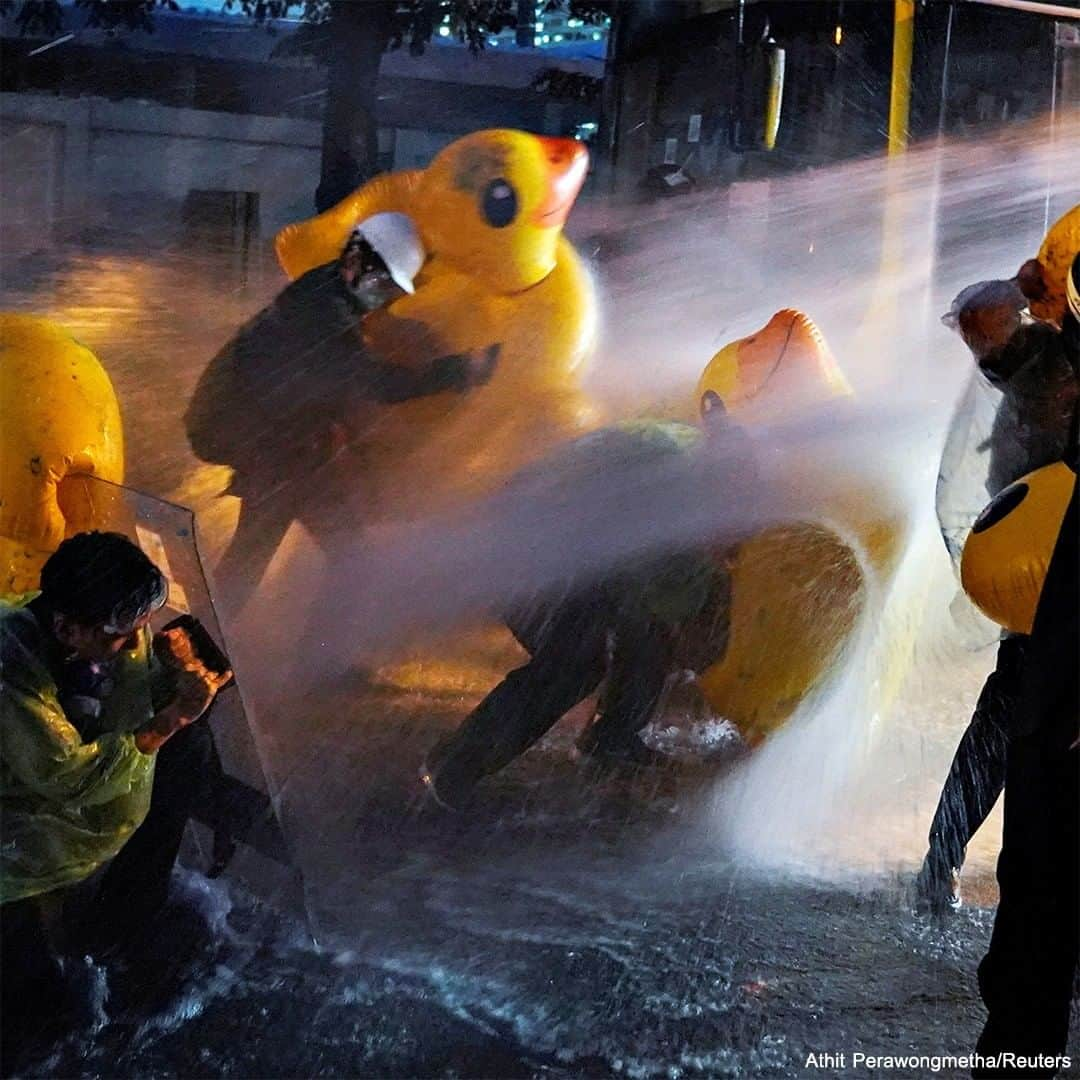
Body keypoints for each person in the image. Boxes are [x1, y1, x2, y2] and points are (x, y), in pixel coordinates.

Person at [420, 397, 752, 810]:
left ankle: (612, 739)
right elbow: (676, 615)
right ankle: (455, 767)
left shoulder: (687, 455)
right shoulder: (678, 500)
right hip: (529, 547)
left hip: (543, 530)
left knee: (639, 625)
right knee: (574, 664)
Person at [185, 213, 498, 615]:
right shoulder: (324, 314)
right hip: (276, 457)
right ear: (358, 261)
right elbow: (374, 382)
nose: (385, 298)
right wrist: (459, 370)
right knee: (301, 563)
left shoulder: (324, 288)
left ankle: (207, 653)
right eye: (384, 285)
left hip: (284, 452)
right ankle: (195, 658)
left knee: (314, 561)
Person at [0, 531, 231, 1072]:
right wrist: (172, 717)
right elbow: (68, 776)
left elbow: (131, 680)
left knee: (189, 748)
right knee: (37, 1022)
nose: (136, 643)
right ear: (65, 627)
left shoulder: (91, 632)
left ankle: (120, 922)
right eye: (123, 636)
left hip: (52, 798)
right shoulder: (9, 672)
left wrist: (177, 674)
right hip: (16, 816)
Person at [917, 251, 1079, 914]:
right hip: (1038, 578)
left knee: (1017, 725)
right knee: (1010, 723)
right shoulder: (1042, 350)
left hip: (1050, 580)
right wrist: (1021, 288)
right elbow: (975, 315)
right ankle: (946, 863)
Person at [972, 265, 1079, 1077]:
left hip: (1063, 681)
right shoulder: (1054, 355)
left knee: (1037, 924)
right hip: (1049, 658)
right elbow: (1017, 360)